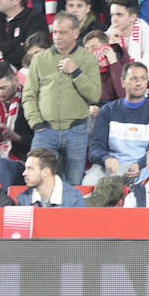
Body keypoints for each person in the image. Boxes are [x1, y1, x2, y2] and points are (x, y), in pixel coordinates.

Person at [20, 12, 98, 185]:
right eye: (55, 32)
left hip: (76, 131)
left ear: (76, 33)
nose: (57, 37)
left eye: (62, 32)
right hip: (45, 131)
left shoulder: (88, 59)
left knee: (73, 184)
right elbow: (28, 95)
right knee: (38, 181)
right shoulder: (40, 59)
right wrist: (36, 123)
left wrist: (76, 72)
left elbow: (94, 95)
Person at [86, 61, 149, 184]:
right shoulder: (107, 111)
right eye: (133, 78)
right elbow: (95, 148)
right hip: (111, 165)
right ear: (123, 82)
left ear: (147, 82)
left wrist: (140, 164)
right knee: (88, 182)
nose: (139, 83)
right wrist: (106, 159)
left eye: (143, 79)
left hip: (144, 166)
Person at [16, 147, 86, 208]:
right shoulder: (23, 199)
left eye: (30, 168)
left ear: (46, 172)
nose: (24, 173)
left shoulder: (74, 198)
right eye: (25, 168)